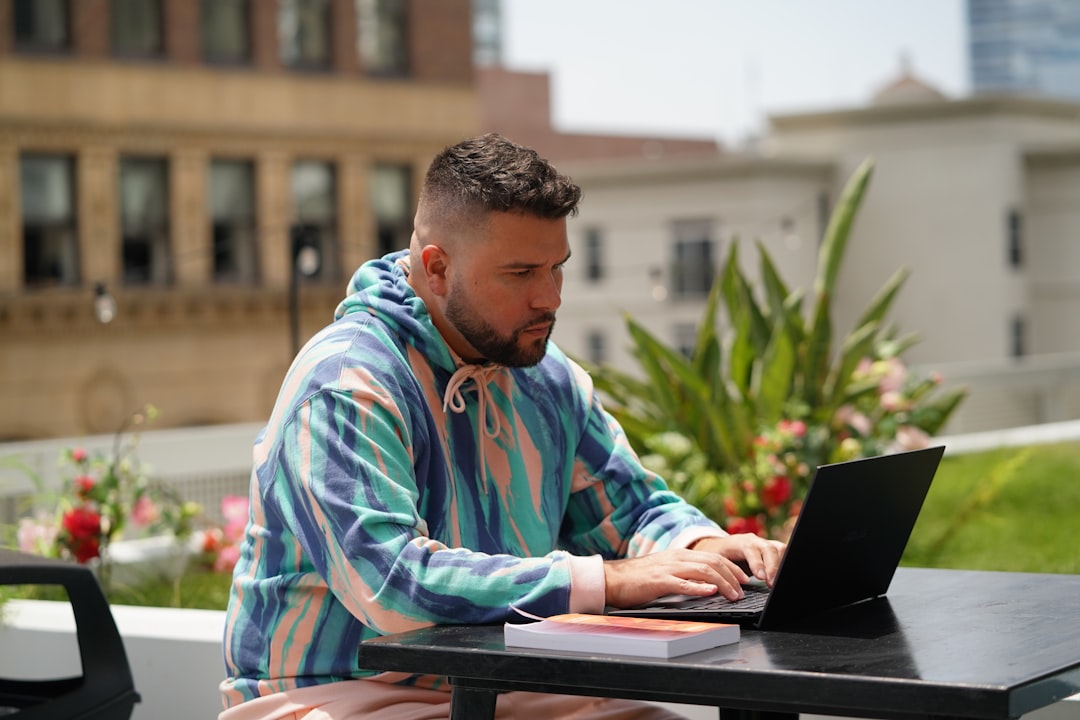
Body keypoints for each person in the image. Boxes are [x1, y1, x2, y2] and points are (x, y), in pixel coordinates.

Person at [219, 133, 786, 720]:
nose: (549, 298)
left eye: (557, 268)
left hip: (511, 684)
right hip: (338, 697)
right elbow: (393, 584)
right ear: (437, 268)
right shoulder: (344, 382)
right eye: (520, 273)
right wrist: (607, 582)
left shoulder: (544, 372)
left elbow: (630, 510)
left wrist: (708, 550)